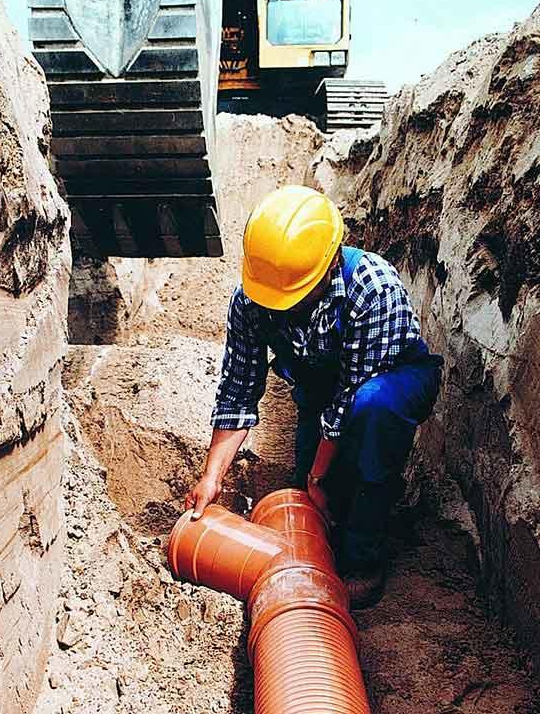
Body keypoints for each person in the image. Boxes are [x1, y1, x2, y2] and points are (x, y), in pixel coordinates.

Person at [185, 186, 443, 609]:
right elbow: (238, 387)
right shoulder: (253, 300)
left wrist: (318, 477)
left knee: (371, 422)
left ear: (330, 265)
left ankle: (364, 560)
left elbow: (350, 398)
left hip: (390, 382)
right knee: (318, 501)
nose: (281, 308)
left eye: (292, 298)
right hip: (324, 395)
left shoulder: (372, 287)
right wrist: (212, 476)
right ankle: (345, 518)